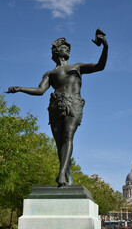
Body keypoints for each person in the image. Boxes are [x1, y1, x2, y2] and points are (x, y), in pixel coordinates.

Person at [6, 29, 108, 187]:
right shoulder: (50, 73)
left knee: (68, 137)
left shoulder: (78, 67)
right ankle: (70, 179)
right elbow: (40, 91)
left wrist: (105, 46)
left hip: (73, 105)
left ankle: (61, 175)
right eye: (64, 47)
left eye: (68, 47)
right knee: (60, 144)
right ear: (55, 50)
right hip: (55, 107)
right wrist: (20, 89)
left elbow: (100, 66)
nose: (67, 49)